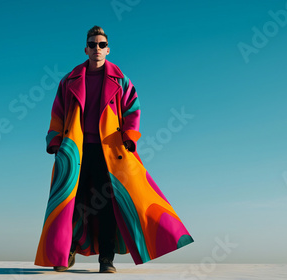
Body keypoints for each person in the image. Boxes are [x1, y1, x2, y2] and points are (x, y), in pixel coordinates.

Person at [34, 26, 193, 273]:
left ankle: (106, 259)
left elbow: (133, 109)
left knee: (106, 204)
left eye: (101, 44)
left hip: (109, 152)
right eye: (92, 44)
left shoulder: (121, 80)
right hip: (75, 150)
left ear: (107, 49)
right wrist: (54, 140)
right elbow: (58, 112)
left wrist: (130, 136)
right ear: (85, 49)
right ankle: (66, 253)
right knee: (70, 203)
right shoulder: (69, 81)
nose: (96, 48)